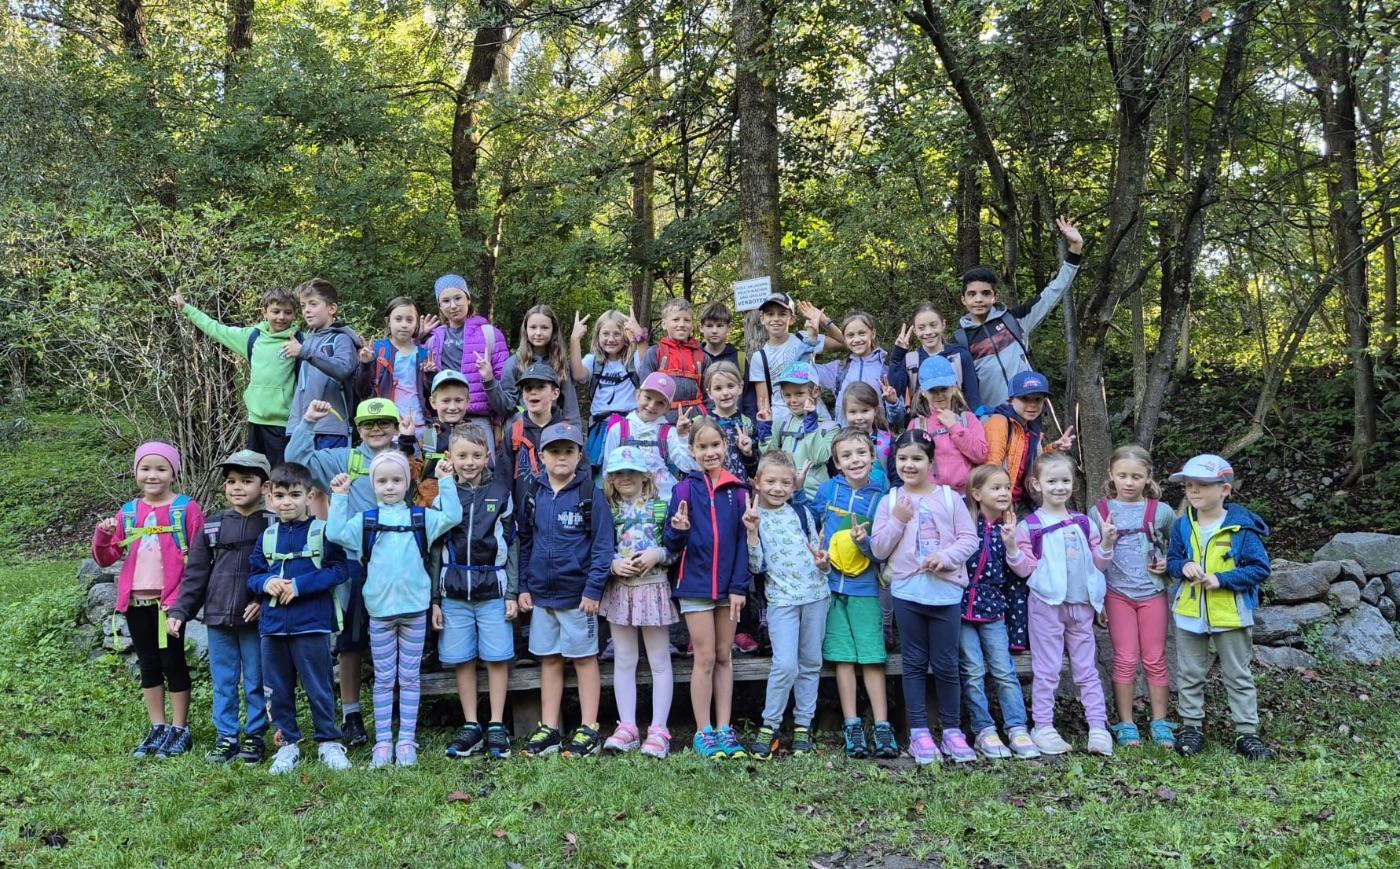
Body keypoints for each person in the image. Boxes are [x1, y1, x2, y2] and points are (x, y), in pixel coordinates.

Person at [286, 396, 416, 747]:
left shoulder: (409, 454)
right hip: (357, 563)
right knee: (352, 640)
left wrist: (411, 442)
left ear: (395, 426)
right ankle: (352, 715)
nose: (376, 430)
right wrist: (308, 423)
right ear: (357, 429)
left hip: (402, 565)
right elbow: (296, 462)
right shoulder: (344, 458)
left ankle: (400, 710)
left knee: (402, 635)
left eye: (384, 423)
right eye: (368, 424)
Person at [327, 451, 460, 768]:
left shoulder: (420, 517)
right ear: (373, 484)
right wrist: (340, 496)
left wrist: (445, 481)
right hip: (380, 613)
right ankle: (383, 742)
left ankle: (407, 740)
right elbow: (335, 533)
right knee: (385, 679)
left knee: (410, 678)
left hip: (414, 611)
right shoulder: (366, 521)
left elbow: (452, 516)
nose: (390, 487)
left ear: (408, 482)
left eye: (397, 480)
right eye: (382, 481)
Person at [92, 442, 206, 759]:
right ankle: (158, 726)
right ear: (135, 472)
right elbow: (106, 557)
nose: (152, 475)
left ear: (174, 473)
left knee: (173, 662)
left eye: (161, 469)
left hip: (169, 605)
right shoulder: (128, 512)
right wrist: (103, 535)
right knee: (148, 663)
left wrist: (181, 602)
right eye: (145, 468)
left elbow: (199, 558)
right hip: (136, 603)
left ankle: (180, 728)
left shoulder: (186, 509)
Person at [871, 430, 979, 765]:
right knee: (914, 662)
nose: (909, 464)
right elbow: (878, 548)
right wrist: (898, 522)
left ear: (931, 462)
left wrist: (945, 557)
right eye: (902, 458)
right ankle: (919, 732)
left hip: (945, 594)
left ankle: (952, 731)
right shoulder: (891, 501)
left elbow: (969, 539)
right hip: (907, 593)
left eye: (917, 458)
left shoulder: (950, 498)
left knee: (947, 664)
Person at [167, 449, 273, 764]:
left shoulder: (274, 525)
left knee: (255, 679)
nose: (237, 487)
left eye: (247, 481)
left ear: (265, 487)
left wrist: (263, 601)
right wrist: (180, 611)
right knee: (224, 681)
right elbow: (196, 574)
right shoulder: (212, 526)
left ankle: (255, 736)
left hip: (255, 619)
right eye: (231, 481)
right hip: (217, 618)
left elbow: (281, 571)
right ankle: (226, 736)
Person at [1165, 454, 1274, 760]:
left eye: (1202, 485)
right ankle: (1191, 727)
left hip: (1231, 613)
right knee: (1189, 673)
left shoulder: (1242, 528)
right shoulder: (1182, 525)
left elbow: (1260, 568)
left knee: (1237, 674)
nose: (1193, 491)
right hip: (1190, 612)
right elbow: (1172, 560)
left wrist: (1222, 579)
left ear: (1225, 490)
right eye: (1189, 485)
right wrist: (1183, 566)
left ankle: (1247, 732)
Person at [517, 423, 615, 758]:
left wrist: (593, 589)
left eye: (568, 451)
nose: (561, 457)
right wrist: (524, 586)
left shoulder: (590, 495)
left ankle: (589, 728)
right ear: (542, 456)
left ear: (579, 456)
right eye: (554, 451)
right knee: (550, 660)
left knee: (585, 660)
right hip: (542, 596)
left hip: (578, 599)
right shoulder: (533, 494)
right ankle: (550, 728)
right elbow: (525, 542)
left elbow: (602, 547)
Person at [247, 461, 352, 774]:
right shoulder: (267, 536)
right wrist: (267, 583)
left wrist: (300, 585)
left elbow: (340, 569)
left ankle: (328, 742)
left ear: (309, 495)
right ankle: (287, 744)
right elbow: (253, 575)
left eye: (295, 495)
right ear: (270, 497)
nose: (287, 502)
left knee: (319, 686)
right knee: (276, 688)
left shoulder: (323, 531)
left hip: (311, 624)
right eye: (280, 496)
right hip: (272, 627)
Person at [1018, 452, 1115, 756]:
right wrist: (1011, 548)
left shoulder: (1084, 523)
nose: (1059, 487)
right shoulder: (1030, 526)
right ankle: (1043, 726)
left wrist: (1107, 543)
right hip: (1046, 606)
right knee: (1047, 669)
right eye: (1052, 481)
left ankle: (1098, 727)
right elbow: (1023, 569)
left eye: (1065, 481)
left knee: (1087, 669)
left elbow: (1098, 564)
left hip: (1081, 607)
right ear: (1036, 484)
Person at [665, 417, 751, 759]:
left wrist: (739, 587)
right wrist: (678, 529)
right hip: (695, 585)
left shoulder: (738, 491)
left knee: (724, 656)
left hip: (730, 588)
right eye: (702, 446)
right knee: (704, 657)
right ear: (692, 450)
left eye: (715, 445)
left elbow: (743, 543)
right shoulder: (683, 490)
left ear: (725, 447)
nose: (710, 452)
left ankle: (725, 728)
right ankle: (704, 731)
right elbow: (671, 543)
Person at [432, 423, 518, 761]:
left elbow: (512, 545)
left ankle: (496, 723)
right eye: (462, 455)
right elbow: (434, 549)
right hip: (454, 593)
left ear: (487, 457)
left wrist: (512, 593)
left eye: (476, 455)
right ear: (450, 457)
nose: (469, 462)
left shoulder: (500, 493)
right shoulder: (442, 494)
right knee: (462, 659)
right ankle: (471, 724)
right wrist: (435, 601)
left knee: (497, 658)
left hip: (493, 590)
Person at [813, 428, 895, 760]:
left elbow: (882, 551)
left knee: (872, 658)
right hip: (831, 587)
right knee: (843, 658)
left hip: (866, 589)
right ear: (836, 463)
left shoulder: (881, 497)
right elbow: (814, 530)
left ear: (872, 457)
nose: (854, 460)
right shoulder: (827, 491)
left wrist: (864, 542)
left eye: (861, 453)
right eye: (846, 455)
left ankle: (883, 726)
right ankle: (852, 725)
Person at [744, 451, 831, 760]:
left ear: (794, 485)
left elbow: (818, 554)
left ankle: (803, 725)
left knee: (810, 662)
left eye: (785, 482)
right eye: (771, 481)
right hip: (781, 601)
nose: (778, 488)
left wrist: (824, 564)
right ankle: (770, 725)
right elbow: (755, 567)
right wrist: (752, 533)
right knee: (785, 665)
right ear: (757, 482)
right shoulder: (754, 517)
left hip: (816, 596)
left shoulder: (801, 512)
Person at [1090, 445, 1177, 750]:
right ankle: (1126, 723)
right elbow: (1092, 561)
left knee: (1154, 658)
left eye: (1136, 476)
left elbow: (1177, 547)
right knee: (1125, 658)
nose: (1129, 482)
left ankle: (1160, 721)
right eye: (1123, 475)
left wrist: (1168, 563)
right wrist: (1097, 602)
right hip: (1117, 595)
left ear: (1148, 477)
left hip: (1153, 593)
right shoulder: (1099, 512)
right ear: (1111, 475)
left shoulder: (1161, 511)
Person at [952, 216, 1084, 409]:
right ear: (963, 299)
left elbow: (1053, 292)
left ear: (994, 297)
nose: (979, 299)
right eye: (972, 294)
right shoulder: (960, 340)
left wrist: (1075, 248)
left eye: (985, 293)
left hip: (1028, 412)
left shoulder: (1015, 320)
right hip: (991, 418)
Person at [598, 445, 678, 758]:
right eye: (618, 472)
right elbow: (598, 547)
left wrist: (658, 554)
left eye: (631, 472)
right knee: (624, 659)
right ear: (610, 478)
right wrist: (612, 564)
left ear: (645, 475)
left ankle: (659, 729)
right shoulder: (608, 510)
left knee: (659, 660)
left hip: (653, 588)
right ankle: (628, 726)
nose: (625, 477)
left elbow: (675, 548)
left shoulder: (661, 507)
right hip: (621, 590)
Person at [958, 465, 1039, 760]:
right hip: (961, 609)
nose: (1004, 492)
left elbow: (1023, 572)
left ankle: (1017, 727)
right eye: (996, 488)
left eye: (1006, 487)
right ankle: (984, 729)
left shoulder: (1014, 528)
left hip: (994, 610)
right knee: (973, 670)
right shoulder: (964, 523)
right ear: (977, 493)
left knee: (1004, 670)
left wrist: (1011, 544)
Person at [168, 287, 301, 465]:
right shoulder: (252, 337)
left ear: (294, 314)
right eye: (276, 311)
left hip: (284, 424)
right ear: (264, 312)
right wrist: (186, 308)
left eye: (288, 312)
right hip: (255, 421)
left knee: (281, 475)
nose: (281, 317)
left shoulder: (300, 342)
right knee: (255, 474)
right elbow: (215, 329)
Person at [421, 274, 513, 452]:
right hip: (442, 420)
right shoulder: (433, 340)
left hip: (479, 420)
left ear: (468, 299)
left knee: (481, 465)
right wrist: (417, 338)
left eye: (458, 298)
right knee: (435, 465)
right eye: (446, 301)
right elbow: (420, 383)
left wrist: (497, 423)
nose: (453, 305)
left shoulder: (490, 334)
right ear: (439, 305)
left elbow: (502, 381)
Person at [284, 278, 364, 449]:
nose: (307, 310)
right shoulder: (308, 340)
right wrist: (294, 425)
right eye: (303, 306)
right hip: (302, 427)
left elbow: (343, 369)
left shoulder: (341, 339)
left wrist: (304, 352)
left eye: (313, 304)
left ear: (331, 308)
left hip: (331, 428)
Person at [984, 371, 1075, 509]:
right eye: (1025, 398)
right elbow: (991, 468)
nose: (1032, 405)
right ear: (1011, 399)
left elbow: (1031, 462)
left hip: (1022, 501)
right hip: (1002, 501)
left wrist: (1054, 449)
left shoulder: (1031, 427)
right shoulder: (999, 423)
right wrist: (1001, 505)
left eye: (1038, 399)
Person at [572, 308, 647, 476]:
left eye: (617, 334)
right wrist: (574, 339)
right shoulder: (593, 361)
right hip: (601, 427)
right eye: (605, 334)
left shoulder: (632, 360)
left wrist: (639, 335)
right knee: (599, 475)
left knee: (629, 473)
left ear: (625, 336)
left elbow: (646, 364)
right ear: (597, 336)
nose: (611, 339)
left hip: (629, 426)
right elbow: (578, 375)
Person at [601, 372, 696, 501]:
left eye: (660, 403)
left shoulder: (669, 433)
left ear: (668, 408)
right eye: (648, 398)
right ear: (637, 395)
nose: (652, 406)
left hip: (662, 501)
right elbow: (608, 470)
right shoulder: (618, 430)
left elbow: (686, 466)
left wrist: (683, 437)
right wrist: (611, 500)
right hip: (627, 502)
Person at [757, 362, 839, 501]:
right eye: (787, 395)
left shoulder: (830, 427)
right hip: (785, 494)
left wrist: (811, 425)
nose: (793, 400)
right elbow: (770, 457)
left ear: (815, 391)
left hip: (815, 498)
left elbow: (818, 457)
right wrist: (765, 429)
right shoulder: (781, 423)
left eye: (799, 393)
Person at [748, 292, 831, 429]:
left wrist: (823, 320)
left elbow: (844, 342)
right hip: (784, 424)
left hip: (815, 415)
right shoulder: (759, 357)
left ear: (791, 319)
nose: (776, 319)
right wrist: (768, 429)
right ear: (762, 319)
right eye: (770, 314)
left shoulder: (805, 338)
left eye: (782, 314)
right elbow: (763, 402)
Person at [908, 356, 988, 495]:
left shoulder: (968, 419)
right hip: (930, 497)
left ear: (953, 388)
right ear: (923, 392)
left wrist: (955, 427)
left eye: (944, 388)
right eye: (933, 390)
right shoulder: (917, 425)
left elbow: (981, 455)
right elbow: (910, 465)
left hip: (965, 496)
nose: (939, 395)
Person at [357, 296, 431, 439]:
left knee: (425, 454)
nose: (404, 325)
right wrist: (365, 365)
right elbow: (362, 391)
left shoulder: (424, 354)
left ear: (417, 324)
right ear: (388, 322)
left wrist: (430, 375)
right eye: (398, 319)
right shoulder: (377, 350)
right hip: (388, 427)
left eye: (409, 320)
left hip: (422, 426)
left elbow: (432, 395)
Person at [887, 304, 981, 414]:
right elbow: (895, 393)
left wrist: (974, 420)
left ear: (943, 324)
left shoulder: (960, 355)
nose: (928, 332)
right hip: (922, 422)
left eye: (933, 325)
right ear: (915, 331)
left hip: (958, 421)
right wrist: (898, 355)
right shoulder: (910, 361)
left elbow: (973, 398)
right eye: (921, 328)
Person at [501, 304, 582, 428]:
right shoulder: (513, 363)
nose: (538, 333)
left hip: (552, 429)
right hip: (522, 429)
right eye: (533, 327)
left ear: (553, 330)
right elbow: (506, 405)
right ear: (526, 330)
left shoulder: (560, 363)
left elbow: (570, 406)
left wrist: (574, 432)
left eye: (544, 327)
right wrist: (489, 382)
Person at [813, 312, 892, 426]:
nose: (857, 339)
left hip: (876, 436)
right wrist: (811, 338)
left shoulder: (885, 369)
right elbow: (804, 369)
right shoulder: (839, 369)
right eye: (850, 335)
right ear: (844, 339)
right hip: (846, 435)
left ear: (873, 334)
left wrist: (893, 403)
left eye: (862, 333)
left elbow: (898, 418)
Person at [638, 298, 707, 421]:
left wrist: (706, 418)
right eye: (676, 319)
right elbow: (645, 390)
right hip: (663, 420)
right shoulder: (654, 353)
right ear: (664, 324)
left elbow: (710, 394)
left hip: (695, 419)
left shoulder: (702, 357)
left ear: (692, 325)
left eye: (687, 320)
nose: (682, 324)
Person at [703, 361, 759, 483]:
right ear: (710, 393)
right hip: (712, 488)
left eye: (730, 386)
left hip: (741, 489)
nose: (725, 393)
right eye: (718, 388)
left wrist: (748, 453)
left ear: (740, 387)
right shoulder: (704, 424)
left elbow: (755, 471)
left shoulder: (748, 424)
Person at [698, 301, 755, 418]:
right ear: (701, 328)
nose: (714, 330)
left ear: (729, 328)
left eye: (720, 326)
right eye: (709, 326)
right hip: (703, 423)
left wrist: (751, 422)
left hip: (736, 422)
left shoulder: (739, 358)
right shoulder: (695, 357)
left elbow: (749, 396)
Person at [838, 382, 897, 491]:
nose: (859, 417)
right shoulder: (841, 443)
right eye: (853, 412)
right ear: (845, 413)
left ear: (875, 410)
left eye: (865, 411)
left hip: (882, 497)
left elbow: (896, 478)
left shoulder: (887, 441)